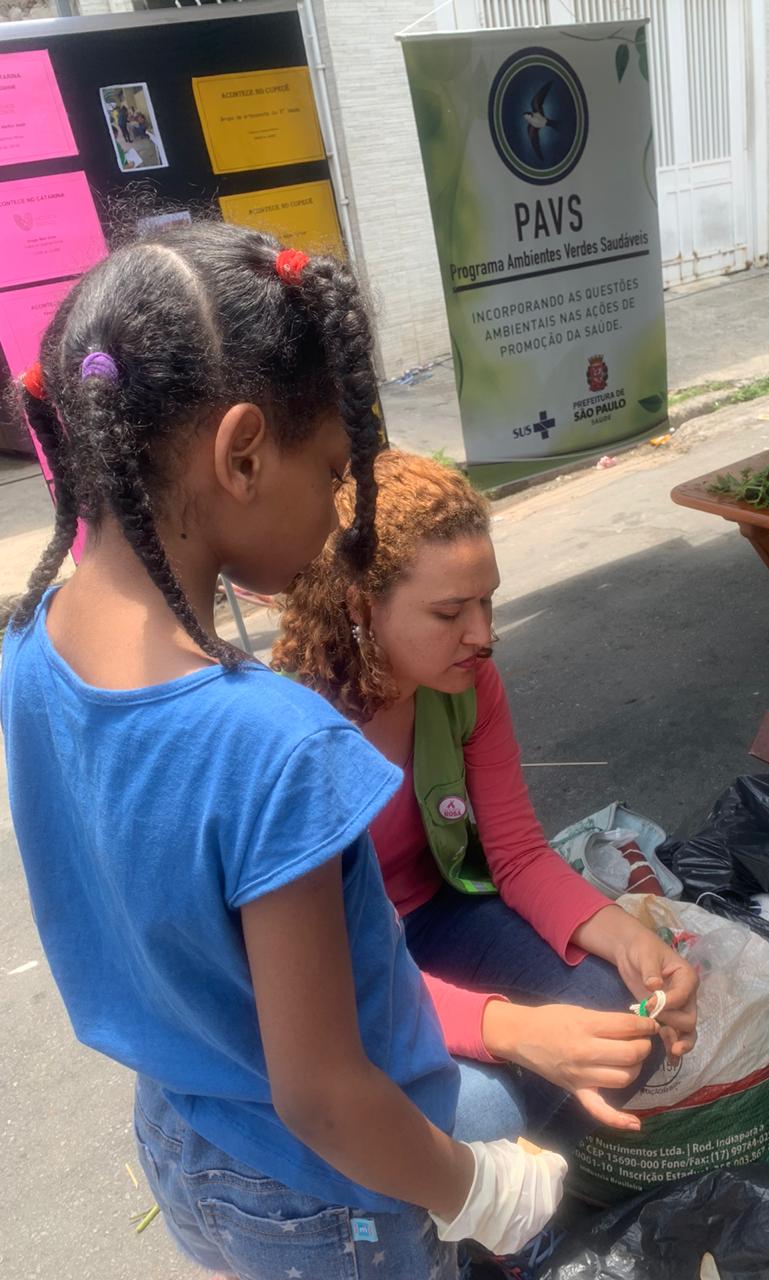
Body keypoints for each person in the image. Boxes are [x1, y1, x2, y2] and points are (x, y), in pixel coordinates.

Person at [0, 224, 566, 1280]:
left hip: (181, 1137)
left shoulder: (28, 647)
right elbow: (323, 1090)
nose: (337, 509)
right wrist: (480, 1189)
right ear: (243, 451)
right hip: (327, 1191)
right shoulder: (271, 742)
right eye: (333, 469)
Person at [273, 450, 699, 1149]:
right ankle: (475, 1199)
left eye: (488, 601)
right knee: (486, 1115)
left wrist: (633, 942)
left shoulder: (467, 685)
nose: (483, 635)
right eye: (450, 612)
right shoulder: (291, 731)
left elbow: (520, 855)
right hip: (345, 969)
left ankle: (508, 1189)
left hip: (441, 917)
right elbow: (327, 982)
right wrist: (518, 1032)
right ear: (360, 607)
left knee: (626, 1024)